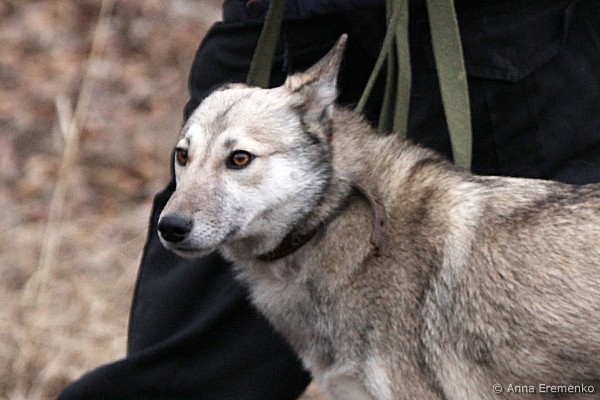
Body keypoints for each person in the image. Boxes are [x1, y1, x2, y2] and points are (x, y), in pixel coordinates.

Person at [58, 0, 600, 398]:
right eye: (183, 158)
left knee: (540, 347)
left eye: (238, 161)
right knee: (188, 360)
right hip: (290, 17)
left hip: (483, 26)